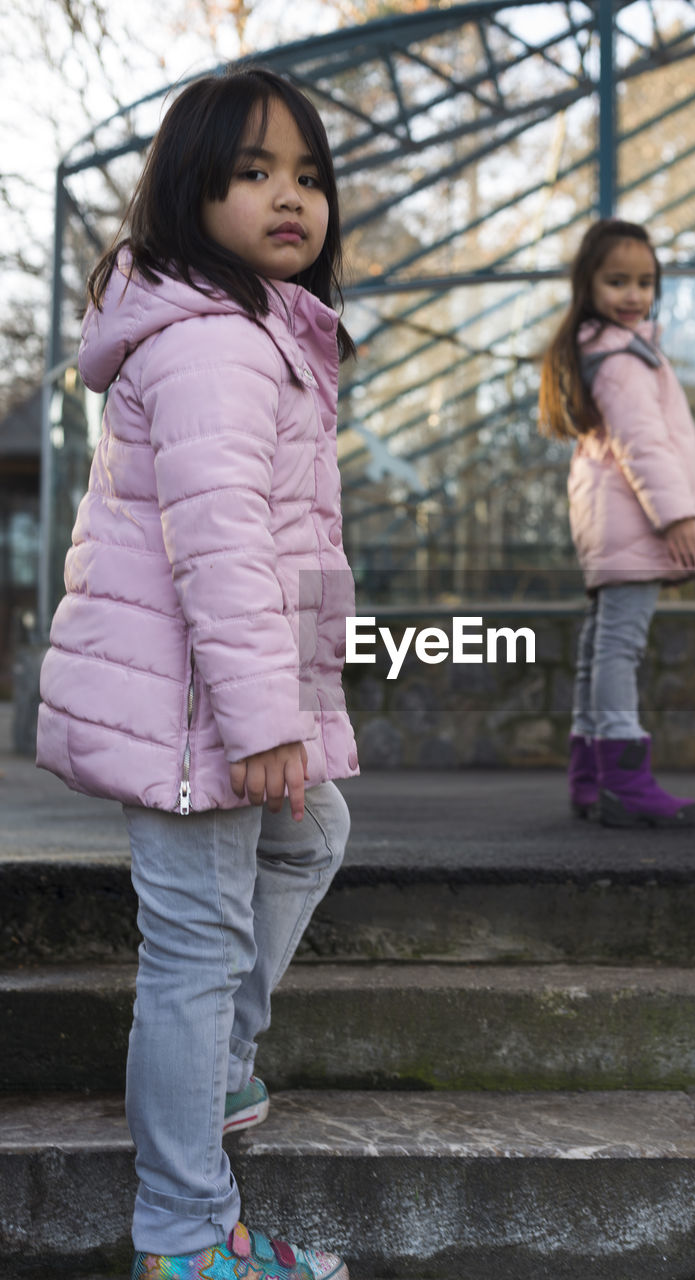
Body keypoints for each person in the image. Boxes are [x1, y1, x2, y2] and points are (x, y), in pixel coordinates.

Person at [36, 65, 358, 1280]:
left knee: (310, 829)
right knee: (192, 946)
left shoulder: (255, 332)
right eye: (252, 172)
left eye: (310, 175)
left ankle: (217, 1061)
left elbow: (287, 550)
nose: (291, 196)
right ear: (189, 191)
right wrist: (266, 716)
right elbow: (219, 544)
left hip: (203, 700)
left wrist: (300, 718)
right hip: (194, 713)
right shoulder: (216, 341)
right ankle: (183, 1233)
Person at [538, 218, 695, 828]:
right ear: (587, 284)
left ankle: (590, 777)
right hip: (637, 522)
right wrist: (678, 516)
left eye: (645, 281)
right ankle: (624, 778)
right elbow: (644, 443)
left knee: (599, 648)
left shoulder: (607, 349)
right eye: (617, 280)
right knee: (621, 646)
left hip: (611, 520)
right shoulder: (620, 358)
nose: (634, 294)